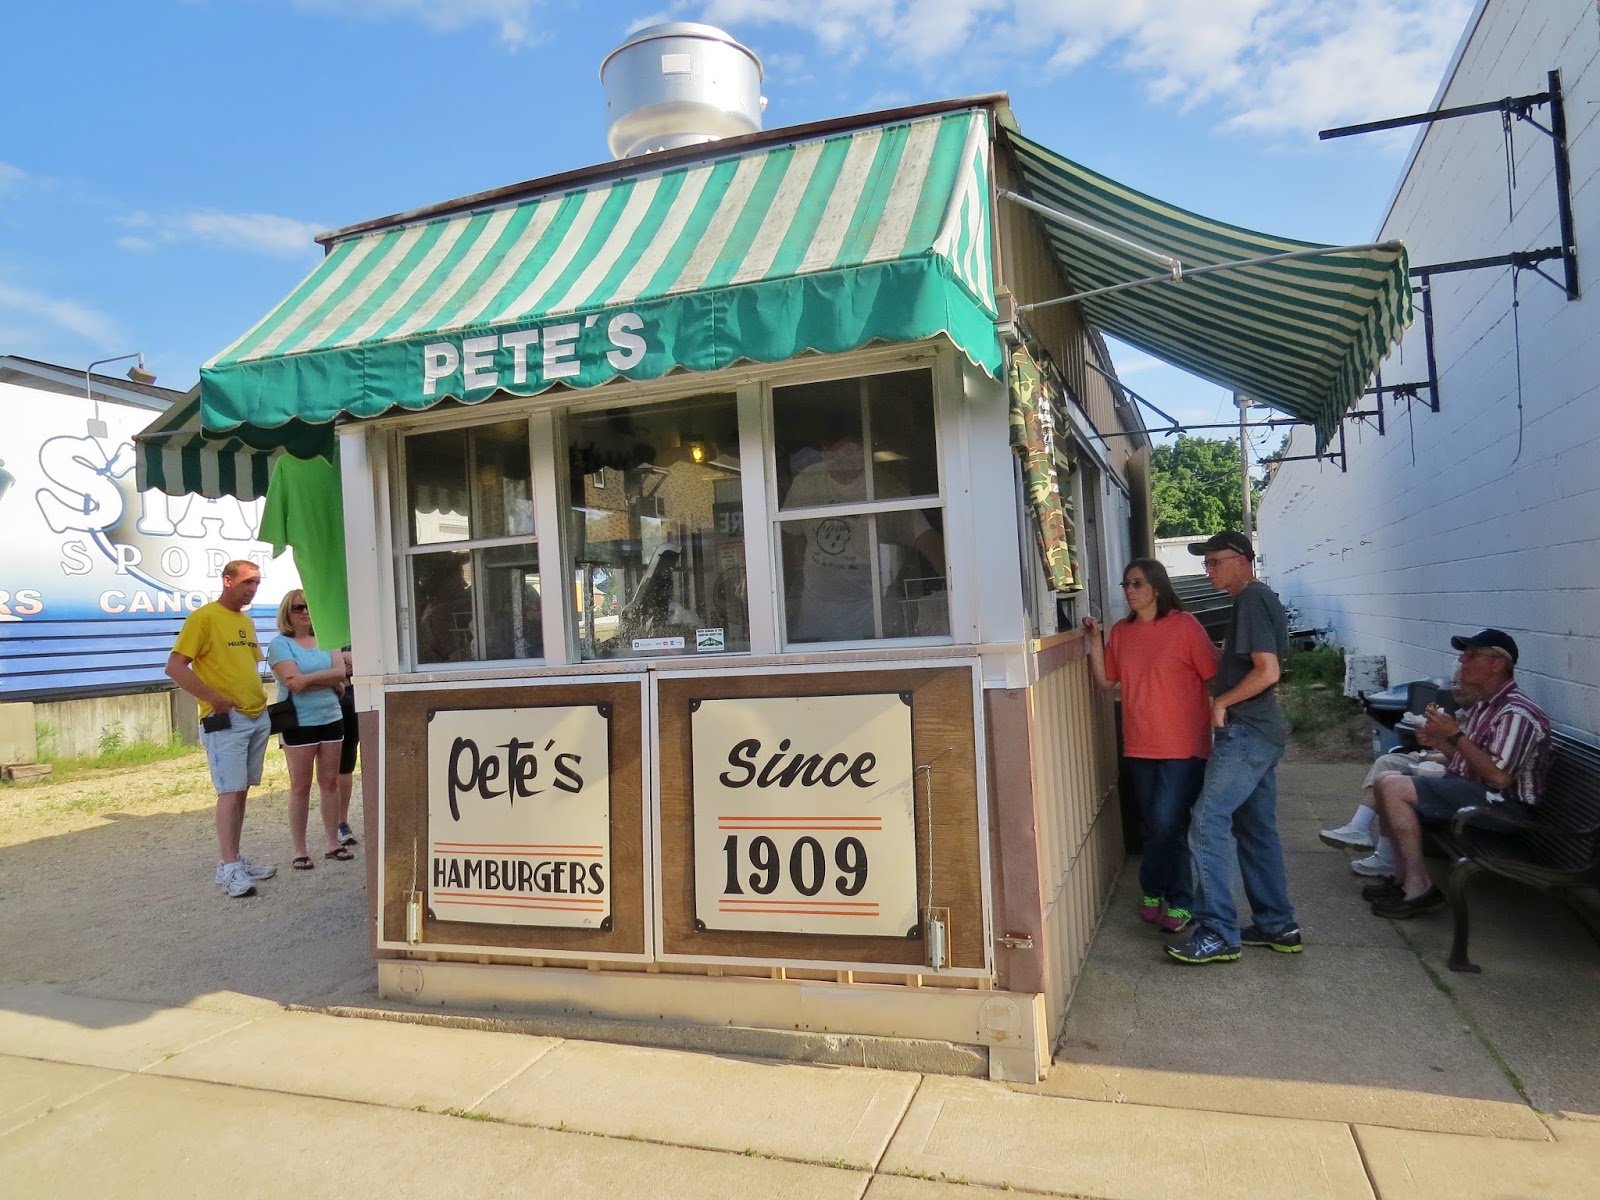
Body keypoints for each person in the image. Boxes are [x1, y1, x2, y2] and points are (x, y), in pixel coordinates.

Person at [1166, 531, 1301, 964]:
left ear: (1242, 559)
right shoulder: (1256, 601)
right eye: (1205, 563)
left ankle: (1217, 930)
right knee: (1255, 830)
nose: (1209, 570)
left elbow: (1268, 671)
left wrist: (1222, 701)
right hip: (1261, 731)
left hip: (1246, 732)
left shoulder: (1252, 600)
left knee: (1206, 821)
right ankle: (1277, 924)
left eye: (1215, 561)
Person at [1364, 629, 1551, 917]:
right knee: (1384, 780)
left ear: (1497, 664)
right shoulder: (1484, 706)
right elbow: (1470, 762)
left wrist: (1455, 735)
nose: (1462, 660)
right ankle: (1402, 880)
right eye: (1464, 654)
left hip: (1506, 809)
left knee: (1394, 787)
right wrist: (1442, 741)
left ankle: (1420, 888)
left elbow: (1500, 778)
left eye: (1472, 654)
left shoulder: (1517, 713)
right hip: (1478, 791)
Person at [1084, 559, 1219, 934]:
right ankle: (1167, 895)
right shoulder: (1123, 633)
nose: (1129, 591)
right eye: (1126, 584)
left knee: (1167, 822)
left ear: (1156, 588)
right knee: (1156, 825)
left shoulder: (1185, 626)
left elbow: (1216, 674)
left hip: (1184, 744)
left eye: (1137, 584)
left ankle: (1166, 894)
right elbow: (1104, 682)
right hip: (1140, 745)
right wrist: (1095, 640)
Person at [165, 559, 277, 899]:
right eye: (247, 582)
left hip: (256, 715)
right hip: (226, 720)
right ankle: (228, 868)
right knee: (229, 791)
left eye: (257, 582)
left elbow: (245, 666)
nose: (253, 588)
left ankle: (235, 859)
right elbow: (175, 667)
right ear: (227, 581)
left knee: (241, 789)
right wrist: (215, 699)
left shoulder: (245, 620)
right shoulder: (203, 619)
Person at [782, 433, 944, 641]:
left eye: (848, 452)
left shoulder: (885, 487)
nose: (840, 460)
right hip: (817, 606)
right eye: (831, 454)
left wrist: (957, 589)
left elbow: (926, 539)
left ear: (864, 451)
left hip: (870, 607)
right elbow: (786, 535)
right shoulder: (807, 482)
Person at [266, 589, 352, 870]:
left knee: (329, 782)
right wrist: (328, 681)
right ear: (286, 614)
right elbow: (293, 682)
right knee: (300, 787)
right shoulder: (280, 645)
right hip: (298, 721)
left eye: (309, 607)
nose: (304, 613)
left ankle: (332, 842)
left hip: (331, 717)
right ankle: (300, 850)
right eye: (298, 608)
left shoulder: (329, 641)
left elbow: (341, 674)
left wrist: (311, 680)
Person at [335, 646, 359, 848]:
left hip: (351, 699)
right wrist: (340, 659)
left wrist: (345, 658)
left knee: (345, 765)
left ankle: (341, 821)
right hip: (317, 703)